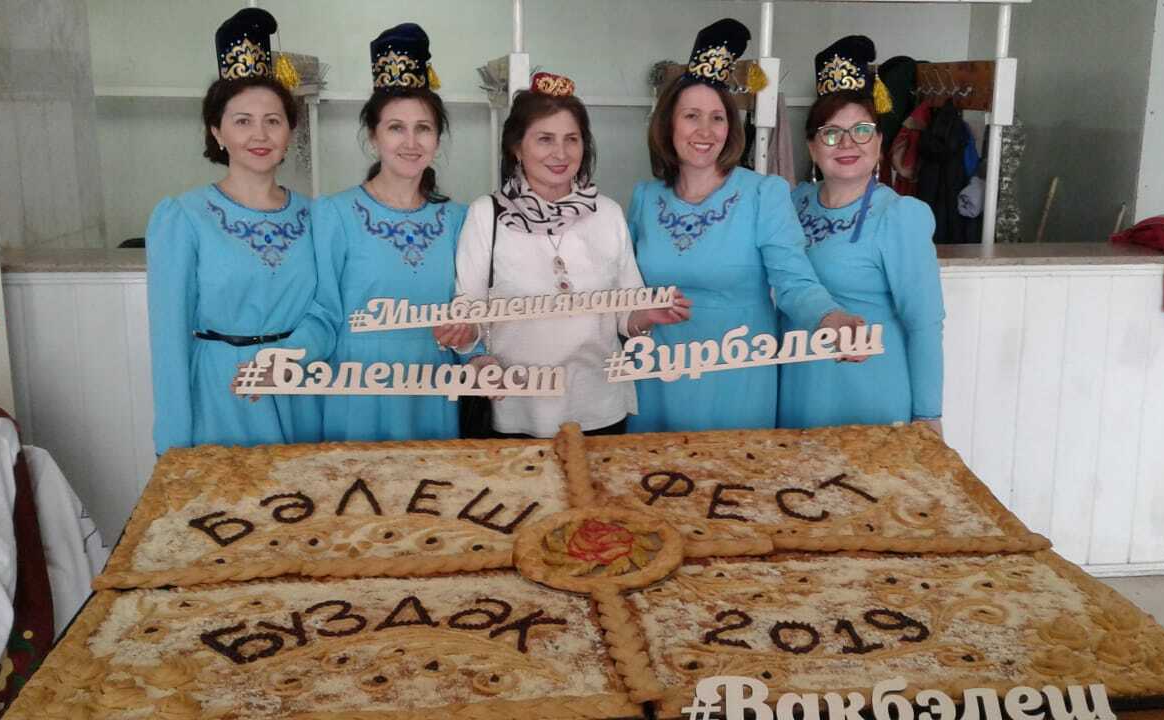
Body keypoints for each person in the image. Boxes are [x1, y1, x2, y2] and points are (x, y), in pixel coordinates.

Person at [627, 18, 859, 433]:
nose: (705, 131)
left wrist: (830, 317)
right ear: (668, 124)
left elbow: (793, 281)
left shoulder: (764, 193)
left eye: (717, 118)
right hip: (656, 375)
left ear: (731, 127)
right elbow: (624, 293)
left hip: (736, 378)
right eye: (691, 116)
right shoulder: (644, 198)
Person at [451, 72, 690, 439]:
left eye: (571, 139)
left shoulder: (607, 213)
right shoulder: (487, 215)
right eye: (545, 139)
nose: (560, 153)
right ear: (517, 147)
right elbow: (468, 313)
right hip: (515, 408)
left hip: (599, 408)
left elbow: (627, 313)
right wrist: (468, 346)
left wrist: (649, 314)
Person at [146, 8, 320, 454]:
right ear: (217, 132)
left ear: (290, 131)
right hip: (224, 393)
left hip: (302, 389)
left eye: (273, 120)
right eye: (242, 120)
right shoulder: (184, 217)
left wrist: (293, 359)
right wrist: (173, 448)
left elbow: (328, 314)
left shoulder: (317, 217)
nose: (259, 134)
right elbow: (169, 341)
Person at [300, 24, 468, 441]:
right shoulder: (334, 215)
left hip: (432, 385)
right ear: (373, 137)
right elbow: (323, 314)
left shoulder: (458, 220)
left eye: (423, 128)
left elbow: (470, 314)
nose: (411, 142)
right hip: (358, 389)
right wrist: (283, 358)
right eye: (396, 127)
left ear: (438, 139)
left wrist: (474, 345)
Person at [779, 35, 945, 434]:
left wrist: (928, 416)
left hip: (869, 391)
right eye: (831, 133)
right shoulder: (790, 204)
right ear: (812, 147)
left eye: (862, 130)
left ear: (880, 141)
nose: (847, 143)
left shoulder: (900, 216)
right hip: (797, 390)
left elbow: (924, 324)